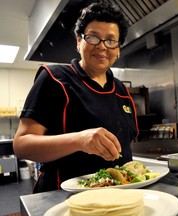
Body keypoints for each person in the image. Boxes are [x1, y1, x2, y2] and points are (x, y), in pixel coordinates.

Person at [13, 1, 138, 193]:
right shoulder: (55, 78)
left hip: (117, 197)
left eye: (111, 40)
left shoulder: (121, 90)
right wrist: (80, 140)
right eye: (93, 37)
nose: (102, 47)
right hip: (64, 198)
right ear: (79, 41)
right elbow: (22, 145)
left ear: (118, 48)